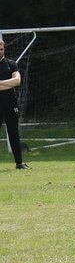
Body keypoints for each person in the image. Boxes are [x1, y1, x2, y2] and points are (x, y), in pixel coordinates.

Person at [0, 38, 30, 170]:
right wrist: (8, 83)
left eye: (1, 49)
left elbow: (17, 81)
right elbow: (12, 82)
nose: (0, 51)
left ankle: (19, 163)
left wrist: (1, 83)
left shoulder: (11, 64)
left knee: (13, 132)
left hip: (11, 103)